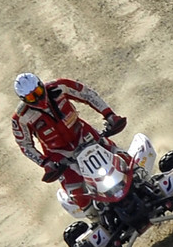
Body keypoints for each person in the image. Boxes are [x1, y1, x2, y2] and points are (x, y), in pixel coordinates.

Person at [10, 72, 127, 223]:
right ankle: (99, 221)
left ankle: (145, 181)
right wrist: (46, 163)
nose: (38, 99)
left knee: (121, 157)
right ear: (24, 100)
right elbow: (24, 145)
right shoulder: (21, 118)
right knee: (76, 193)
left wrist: (110, 115)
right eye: (32, 97)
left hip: (86, 136)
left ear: (41, 85)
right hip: (61, 157)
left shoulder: (60, 86)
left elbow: (88, 95)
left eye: (38, 92)